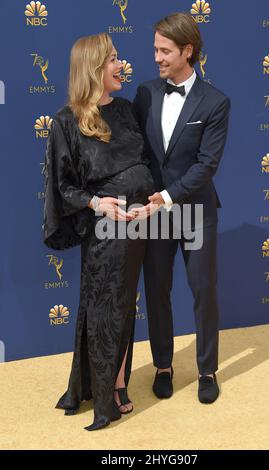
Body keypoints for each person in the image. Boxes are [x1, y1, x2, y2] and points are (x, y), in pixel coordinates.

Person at [43, 32, 154, 431]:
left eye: (119, 57)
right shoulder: (65, 122)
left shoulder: (125, 110)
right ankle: (105, 395)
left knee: (126, 306)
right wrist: (96, 203)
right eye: (112, 60)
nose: (120, 65)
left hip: (142, 225)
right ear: (93, 68)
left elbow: (142, 161)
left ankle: (118, 382)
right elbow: (63, 186)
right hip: (106, 231)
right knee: (105, 309)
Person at [133, 13, 230, 404]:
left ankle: (208, 370)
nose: (156, 57)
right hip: (155, 212)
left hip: (195, 210)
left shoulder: (216, 101)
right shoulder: (144, 93)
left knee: (203, 290)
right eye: (155, 49)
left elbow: (207, 164)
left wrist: (168, 196)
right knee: (156, 290)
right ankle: (163, 366)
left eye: (164, 50)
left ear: (187, 51)